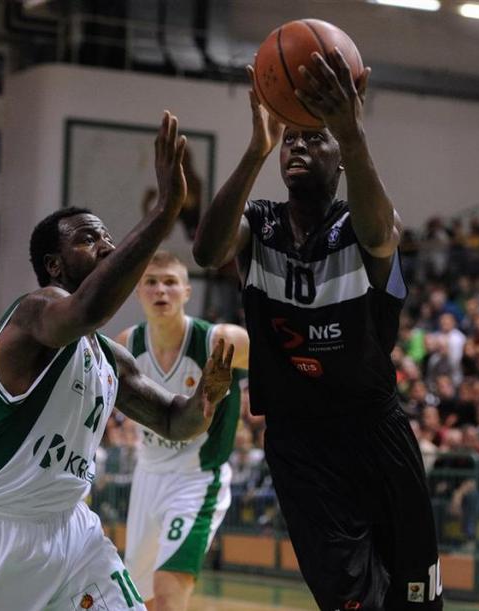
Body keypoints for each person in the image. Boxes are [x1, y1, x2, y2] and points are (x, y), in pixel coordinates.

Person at [0, 112, 235, 611]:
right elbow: (88, 309)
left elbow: (175, 422)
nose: (106, 246)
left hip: (72, 530)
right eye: (89, 239)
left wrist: (207, 396)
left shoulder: (108, 356)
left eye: (107, 237)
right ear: (54, 264)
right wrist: (165, 212)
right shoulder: (34, 311)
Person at [192, 52, 442, 610]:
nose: (298, 147)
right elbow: (207, 251)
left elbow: (381, 235)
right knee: (350, 601)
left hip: (375, 430)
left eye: (314, 138)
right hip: (299, 440)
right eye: (291, 141)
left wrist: (353, 134)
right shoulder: (260, 223)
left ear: (341, 159)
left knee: (417, 600)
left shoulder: (361, 223)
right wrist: (256, 149)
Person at [114, 250, 249, 611]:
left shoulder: (221, 340)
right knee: (141, 600)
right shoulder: (126, 344)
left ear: (187, 292)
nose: (161, 290)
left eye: (170, 282)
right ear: (138, 292)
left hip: (196, 479)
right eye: (151, 282)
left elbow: (278, 364)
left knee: (168, 591)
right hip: (147, 477)